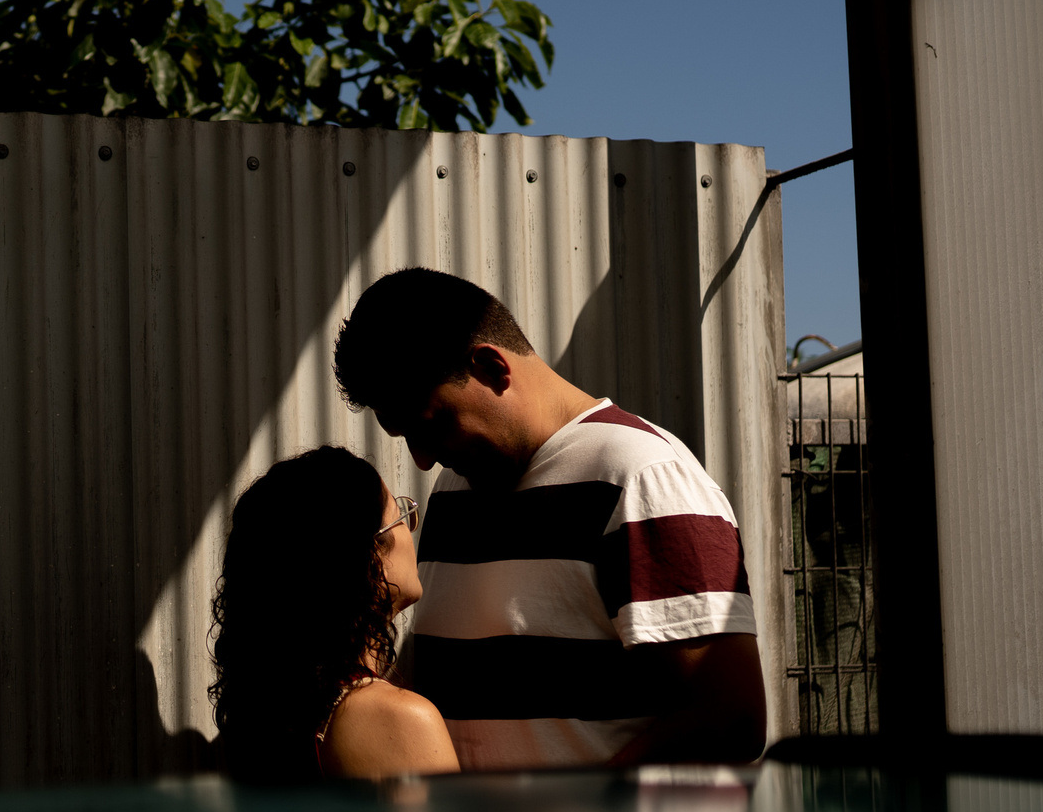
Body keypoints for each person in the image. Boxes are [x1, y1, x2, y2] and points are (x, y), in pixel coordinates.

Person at [332, 267, 766, 771]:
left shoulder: (642, 477)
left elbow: (730, 719)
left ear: (493, 368)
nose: (423, 459)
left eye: (432, 426)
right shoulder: (456, 489)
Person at [209, 446, 459, 784]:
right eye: (399, 516)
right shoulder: (398, 719)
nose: (409, 530)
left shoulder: (268, 710)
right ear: (369, 552)